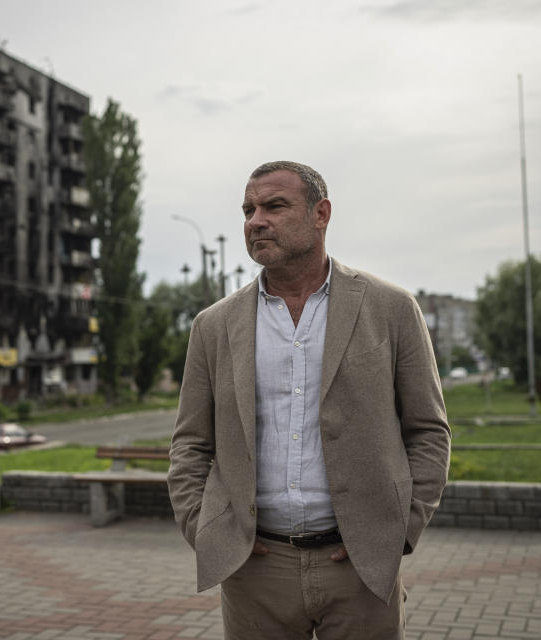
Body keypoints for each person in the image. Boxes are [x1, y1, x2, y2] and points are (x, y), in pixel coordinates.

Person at [167, 161, 451, 639]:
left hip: (360, 568)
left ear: (321, 213)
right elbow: (190, 445)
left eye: (274, 206)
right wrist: (205, 530)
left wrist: (397, 533)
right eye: (248, 209)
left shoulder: (391, 308)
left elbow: (428, 431)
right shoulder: (214, 326)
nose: (255, 221)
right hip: (255, 571)